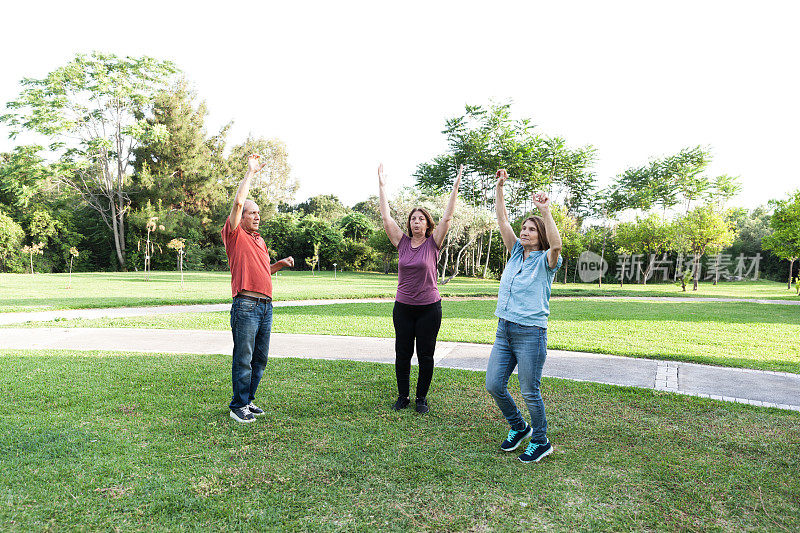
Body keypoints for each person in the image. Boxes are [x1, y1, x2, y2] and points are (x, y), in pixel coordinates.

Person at [485, 168, 562, 463]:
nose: (524, 232)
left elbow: (556, 244)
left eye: (531, 229)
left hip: (531, 333)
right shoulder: (516, 252)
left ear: (539, 234)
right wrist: (500, 187)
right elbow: (502, 220)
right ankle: (519, 427)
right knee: (494, 384)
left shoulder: (547, 260)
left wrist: (545, 211)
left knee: (530, 391)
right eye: (524, 229)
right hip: (504, 329)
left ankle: (541, 441)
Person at [377, 163, 462, 413]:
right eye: (413, 219)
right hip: (403, 308)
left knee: (426, 355)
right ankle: (403, 396)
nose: (416, 222)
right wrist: (382, 185)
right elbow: (385, 217)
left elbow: (447, 217)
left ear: (427, 224)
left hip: (428, 308)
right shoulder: (400, 241)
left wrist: (455, 185)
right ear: (409, 223)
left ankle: (421, 399)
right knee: (402, 354)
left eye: (421, 219)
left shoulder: (434, 243)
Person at [222, 154, 294, 423]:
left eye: (258, 213)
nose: (256, 216)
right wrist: (250, 172)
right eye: (252, 212)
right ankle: (237, 405)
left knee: (259, 360)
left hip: (265, 307)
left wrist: (279, 264)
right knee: (244, 358)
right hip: (246, 306)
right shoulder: (234, 234)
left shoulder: (259, 241)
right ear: (241, 217)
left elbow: (264, 271)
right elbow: (239, 201)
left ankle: (248, 400)